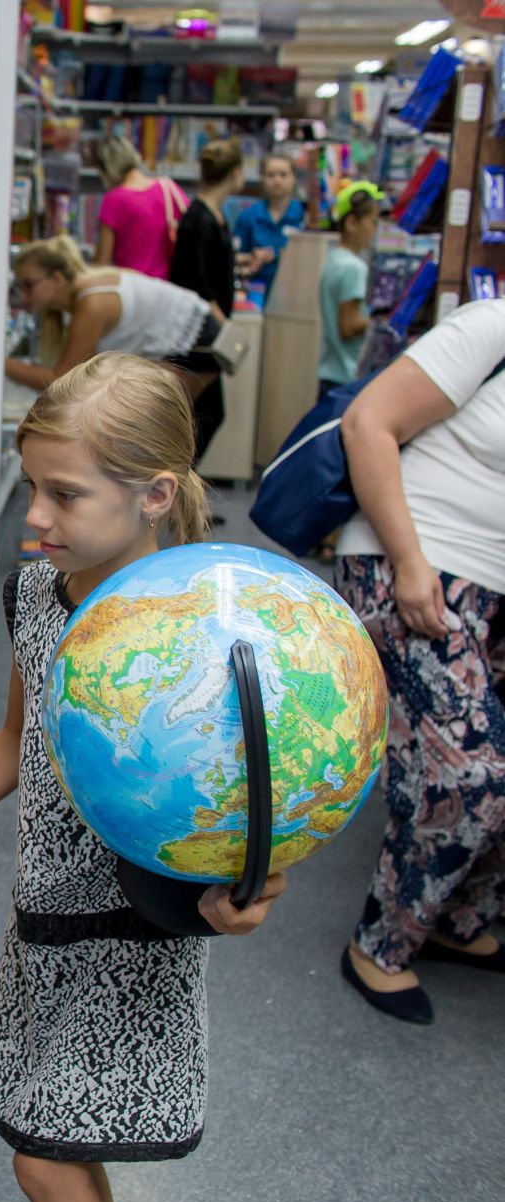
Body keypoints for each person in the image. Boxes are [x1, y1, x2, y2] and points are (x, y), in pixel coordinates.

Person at [0, 353, 289, 1202]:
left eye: (65, 495)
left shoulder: (203, 623)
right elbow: (15, 738)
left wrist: (257, 885)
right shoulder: (38, 592)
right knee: (62, 1147)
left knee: (45, 1158)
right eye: (33, 486)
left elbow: (267, 784)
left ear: (156, 494)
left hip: (138, 927)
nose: (34, 516)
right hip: (43, 919)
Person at [334, 297, 505, 1025]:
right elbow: (368, 423)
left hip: (493, 594)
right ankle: (379, 943)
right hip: (414, 568)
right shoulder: (493, 326)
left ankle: (453, 917)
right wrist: (409, 562)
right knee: (468, 775)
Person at [4, 237, 223, 461]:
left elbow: (59, 380)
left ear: (57, 278)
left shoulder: (92, 304)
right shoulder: (89, 287)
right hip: (192, 337)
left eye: (28, 285)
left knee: (165, 438)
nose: (22, 294)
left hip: (194, 344)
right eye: (18, 286)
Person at [168, 137, 244, 460]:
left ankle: (183, 492)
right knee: (198, 414)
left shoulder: (214, 215)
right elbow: (195, 281)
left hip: (208, 329)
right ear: (236, 173)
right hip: (199, 333)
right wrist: (222, 324)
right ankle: (179, 491)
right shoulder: (198, 218)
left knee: (206, 414)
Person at [94, 136, 186, 280]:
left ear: (106, 168)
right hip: (169, 289)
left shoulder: (114, 200)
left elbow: (101, 263)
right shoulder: (169, 189)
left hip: (132, 289)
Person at [320, 181, 381, 398]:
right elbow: (348, 326)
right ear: (352, 222)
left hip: (330, 372)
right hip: (345, 376)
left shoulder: (333, 259)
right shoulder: (353, 268)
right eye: (372, 222)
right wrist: (382, 320)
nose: (375, 230)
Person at [233, 153, 305, 300]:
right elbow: (234, 256)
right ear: (262, 179)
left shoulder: (305, 216)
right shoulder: (248, 216)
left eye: (283, 175)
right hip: (256, 296)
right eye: (270, 175)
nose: (277, 180)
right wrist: (252, 257)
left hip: (296, 295)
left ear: (293, 179)